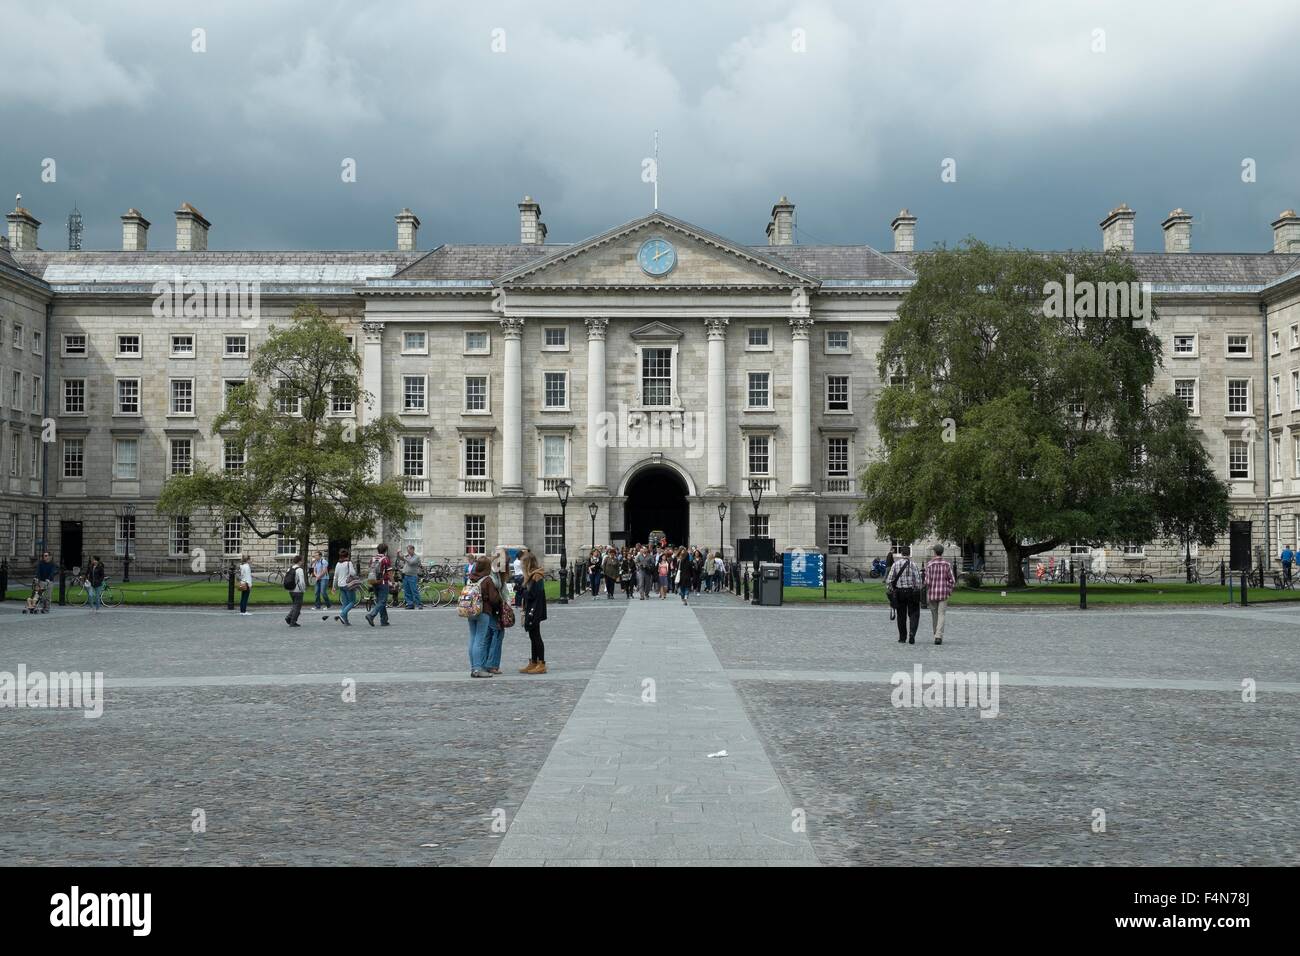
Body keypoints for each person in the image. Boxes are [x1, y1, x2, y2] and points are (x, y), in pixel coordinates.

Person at [465, 556, 502, 678]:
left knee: (473, 638)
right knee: (480, 640)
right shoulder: (487, 580)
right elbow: (494, 599)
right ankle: (478, 668)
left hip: (470, 610)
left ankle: (473, 667)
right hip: (483, 611)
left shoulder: (471, 577)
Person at [519, 551, 548, 674]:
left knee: (536, 636)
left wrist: (522, 591)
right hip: (532, 608)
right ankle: (534, 661)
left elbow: (533, 595)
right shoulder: (532, 576)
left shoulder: (536, 576)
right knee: (532, 636)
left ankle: (541, 663)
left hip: (535, 610)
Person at [884, 550, 921, 644]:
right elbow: (918, 580)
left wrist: (891, 589)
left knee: (901, 615)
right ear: (909, 554)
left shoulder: (895, 564)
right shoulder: (913, 564)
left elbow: (889, 580)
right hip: (911, 591)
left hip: (899, 592)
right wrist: (916, 588)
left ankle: (902, 637)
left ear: (901, 554)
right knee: (914, 614)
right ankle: (912, 633)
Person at [484, 547, 510, 674]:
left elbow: (503, 589)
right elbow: (494, 591)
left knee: (489, 635)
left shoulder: (496, 572)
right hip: (492, 608)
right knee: (497, 634)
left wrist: (508, 602)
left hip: (492, 608)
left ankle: (485, 663)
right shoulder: (491, 572)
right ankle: (492, 664)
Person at [924, 544, 957, 645]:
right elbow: (952, 580)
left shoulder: (929, 564)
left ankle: (936, 634)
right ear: (942, 552)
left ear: (934, 552)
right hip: (943, 593)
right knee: (941, 614)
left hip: (932, 593)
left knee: (934, 615)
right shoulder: (946, 564)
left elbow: (927, 582)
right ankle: (938, 635)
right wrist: (949, 590)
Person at [365, 544, 393, 627]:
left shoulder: (372, 559)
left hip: (374, 581)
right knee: (382, 601)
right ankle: (371, 615)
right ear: (385, 550)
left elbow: (369, 569)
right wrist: (393, 582)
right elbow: (389, 572)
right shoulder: (385, 559)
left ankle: (384, 620)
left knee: (380, 601)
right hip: (383, 582)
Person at [332, 548, 360, 625]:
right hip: (348, 585)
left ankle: (346, 621)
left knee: (345, 603)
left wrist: (333, 587)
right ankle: (342, 615)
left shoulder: (338, 564)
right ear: (347, 555)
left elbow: (335, 576)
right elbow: (353, 573)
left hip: (340, 585)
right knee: (352, 602)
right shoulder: (348, 563)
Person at [285, 555, 306, 627]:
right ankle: (292, 621)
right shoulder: (299, 570)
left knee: (295, 605)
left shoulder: (289, 569)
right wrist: (303, 589)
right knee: (297, 607)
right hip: (298, 590)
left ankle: (289, 617)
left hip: (290, 589)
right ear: (299, 561)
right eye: (302, 560)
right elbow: (302, 582)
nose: (303, 562)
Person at [400, 544, 424, 610]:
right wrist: (398, 553)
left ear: (413, 549)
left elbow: (411, 562)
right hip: (405, 576)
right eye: (407, 550)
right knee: (407, 591)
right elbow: (401, 558)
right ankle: (410, 604)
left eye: (409, 550)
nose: (408, 551)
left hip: (412, 576)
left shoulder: (416, 557)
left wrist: (404, 558)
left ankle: (419, 604)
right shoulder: (407, 556)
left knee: (414, 591)